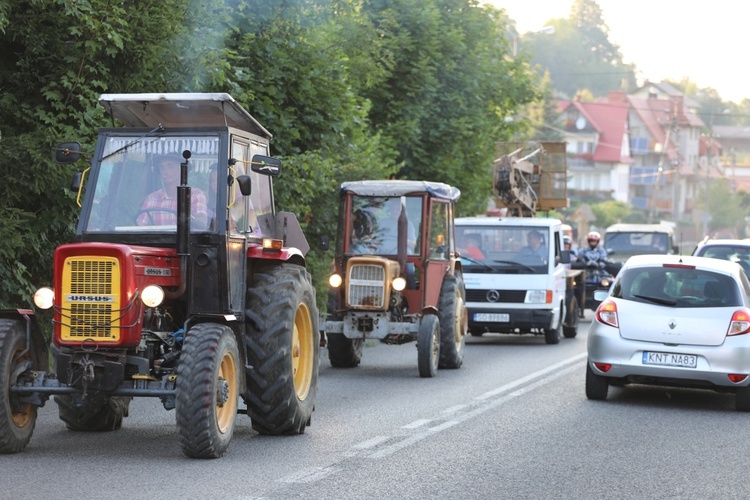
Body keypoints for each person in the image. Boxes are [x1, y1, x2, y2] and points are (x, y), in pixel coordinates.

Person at [137, 154, 208, 228]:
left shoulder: (196, 195)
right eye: (162, 168)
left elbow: (202, 223)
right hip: (159, 239)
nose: (165, 172)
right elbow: (140, 226)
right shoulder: (152, 198)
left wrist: (186, 217)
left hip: (188, 239)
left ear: (181, 170)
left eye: (170, 167)